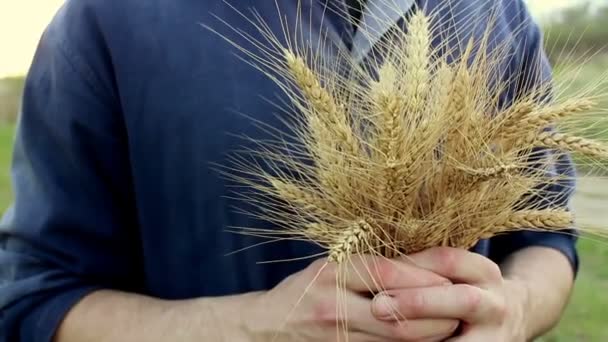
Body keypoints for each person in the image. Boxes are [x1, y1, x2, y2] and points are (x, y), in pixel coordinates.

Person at [0, 0, 579, 341]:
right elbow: (31, 299)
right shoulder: (108, 18)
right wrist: (251, 326)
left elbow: (546, 234)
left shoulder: (496, 13)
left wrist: (516, 308)